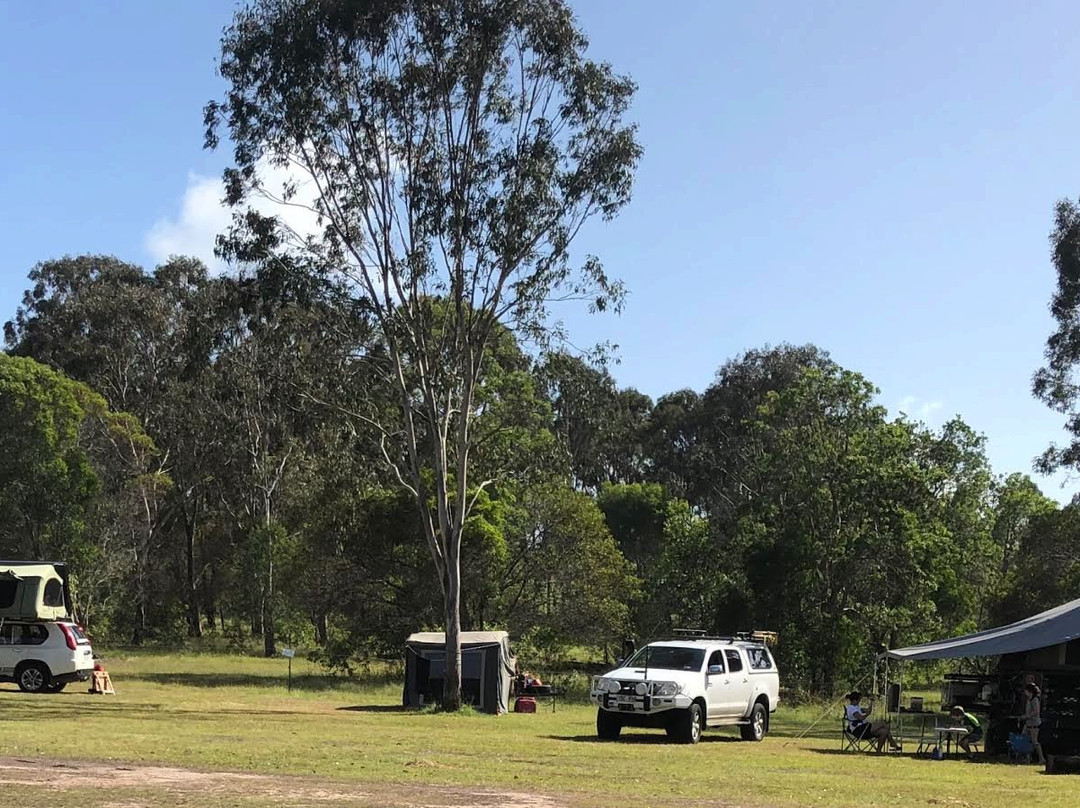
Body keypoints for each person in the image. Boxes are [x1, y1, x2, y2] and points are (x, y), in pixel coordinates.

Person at [1015, 683, 1046, 765]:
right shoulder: (1029, 700)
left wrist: (1027, 716)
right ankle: (1027, 758)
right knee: (1024, 740)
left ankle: (1041, 758)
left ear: (1029, 691)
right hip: (1028, 724)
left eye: (1026, 691)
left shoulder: (1035, 700)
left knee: (1035, 742)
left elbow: (1036, 711)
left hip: (1034, 724)